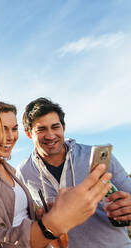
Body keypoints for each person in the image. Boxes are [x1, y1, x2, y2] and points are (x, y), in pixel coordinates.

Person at [0, 101, 112, 248]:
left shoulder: (11, 170)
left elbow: (21, 220)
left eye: (14, 128)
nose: (10, 136)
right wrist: (53, 223)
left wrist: (41, 217)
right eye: (2, 129)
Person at [16, 97, 131, 248]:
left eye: (55, 127)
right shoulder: (23, 173)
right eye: (41, 129)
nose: (50, 135)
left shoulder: (97, 156)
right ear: (29, 133)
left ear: (63, 127)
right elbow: (26, 222)